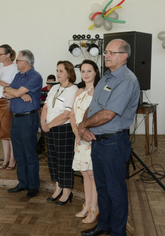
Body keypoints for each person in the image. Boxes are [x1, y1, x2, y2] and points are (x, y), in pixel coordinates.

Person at [78, 39, 140, 236]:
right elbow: (94, 106)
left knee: (116, 191)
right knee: (102, 188)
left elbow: (108, 114)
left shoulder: (127, 80)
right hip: (98, 141)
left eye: (112, 52)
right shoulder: (106, 77)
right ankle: (104, 225)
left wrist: (83, 125)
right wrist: (84, 127)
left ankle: (118, 232)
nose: (107, 55)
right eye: (106, 52)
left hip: (114, 142)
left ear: (124, 56)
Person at [3, 50, 42, 199]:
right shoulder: (19, 75)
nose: (16, 63)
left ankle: (33, 185)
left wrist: (18, 93)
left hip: (27, 118)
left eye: (18, 61)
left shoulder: (35, 77)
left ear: (25, 63)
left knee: (29, 152)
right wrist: (18, 92)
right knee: (19, 152)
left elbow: (14, 93)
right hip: (16, 118)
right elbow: (6, 91)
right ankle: (23, 183)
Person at [40, 61, 78, 205]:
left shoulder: (73, 89)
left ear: (69, 73)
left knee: (64, 161)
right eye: (57, 70)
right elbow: (45, 107)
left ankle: (67, 191)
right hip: (49, 128)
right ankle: (58, 188)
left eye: (61, 71)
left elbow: (67, 114)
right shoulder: (54, 87)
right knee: (53, 159)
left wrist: (49, 124)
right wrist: (43, 122)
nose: (58, 74)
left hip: (64, 129)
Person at [70, 60, 100, 223]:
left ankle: (95, 209)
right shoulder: (79, 91)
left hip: (90, 136)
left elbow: (98, 117)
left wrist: (84, 132)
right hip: (79, 137)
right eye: (83, 71)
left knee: (92, 173)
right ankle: (87, 205)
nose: (86, 74)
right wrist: (76, 132)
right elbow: (73, 115)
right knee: (84, 172)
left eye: (89, 70)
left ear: (96, 72)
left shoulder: (99, 91)